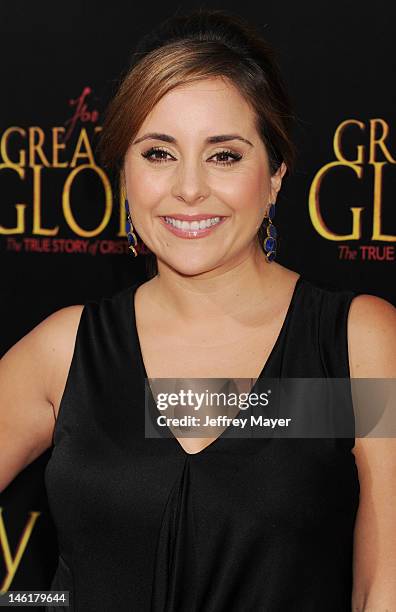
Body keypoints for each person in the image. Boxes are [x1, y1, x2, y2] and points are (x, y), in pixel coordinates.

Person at [1, 8, 395, 612]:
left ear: (275, 178)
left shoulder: (356, 345)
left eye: (225, 156)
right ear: (125, 174)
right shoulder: (67, 349)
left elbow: (382, 588)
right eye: (158, 153)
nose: (189, 188)